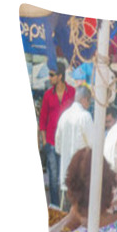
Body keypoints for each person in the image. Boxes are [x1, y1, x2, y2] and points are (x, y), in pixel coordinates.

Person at [39, 62, 76, 207]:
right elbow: (43, 119)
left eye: (52, 75)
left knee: (67, 175)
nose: (49, 77)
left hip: (67, 140)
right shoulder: (48, 95)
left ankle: (67, 205)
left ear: (60, 76)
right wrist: (44, 142)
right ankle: (55, 206)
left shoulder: (72, 92)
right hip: (51, 141)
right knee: (54, 177)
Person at [54, 85, 94, 208]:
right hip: (80, 181)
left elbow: (58, 148)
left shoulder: (64, 116)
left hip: (65, 181)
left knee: (66, 223)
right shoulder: (85, 116)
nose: (89, 104)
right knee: (80, 222)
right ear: (85, 99)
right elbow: (94, 146)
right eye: (89, 101)